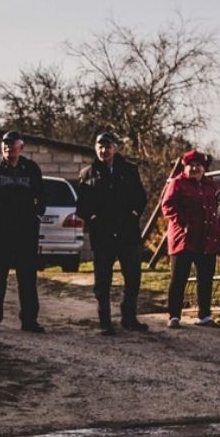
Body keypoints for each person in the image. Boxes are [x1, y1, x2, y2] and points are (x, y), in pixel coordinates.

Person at [0, 129, 47, 332]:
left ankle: (29, 321)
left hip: (25, 231)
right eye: (5, 144)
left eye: (12, 144)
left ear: (21, 147)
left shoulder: (31, 169)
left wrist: (37, 217)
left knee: (27, 277)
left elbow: (42, 196)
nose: (8, 147)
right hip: (0, 230)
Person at [76, 131, 149, 333]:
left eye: (107, 146)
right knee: (102, 281)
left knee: (132, 278)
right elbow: (81, 205)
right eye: (100, 146)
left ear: (115, 148)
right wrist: (93, 219)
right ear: (95, 148)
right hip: (103, 236)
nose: (103, 150)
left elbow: (141, 197)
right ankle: (105, 322)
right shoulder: (87, 174)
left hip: (128, 234)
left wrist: (134, 214)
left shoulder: (129, 170)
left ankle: (129, 318)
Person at [160, 148, 220, 328]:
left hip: (206, 239)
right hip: (184, 238)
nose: (195, 169)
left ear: (204, 168)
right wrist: (183, 221)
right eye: (191, 165)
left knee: (205, 277)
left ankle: (205, 315)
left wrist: (218, 231)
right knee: (179, 277)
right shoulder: (177, 183)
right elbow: (167, 206)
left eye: (198, 165)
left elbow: (216, 208)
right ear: (185, 167)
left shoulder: (210, 185)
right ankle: (174, 315)